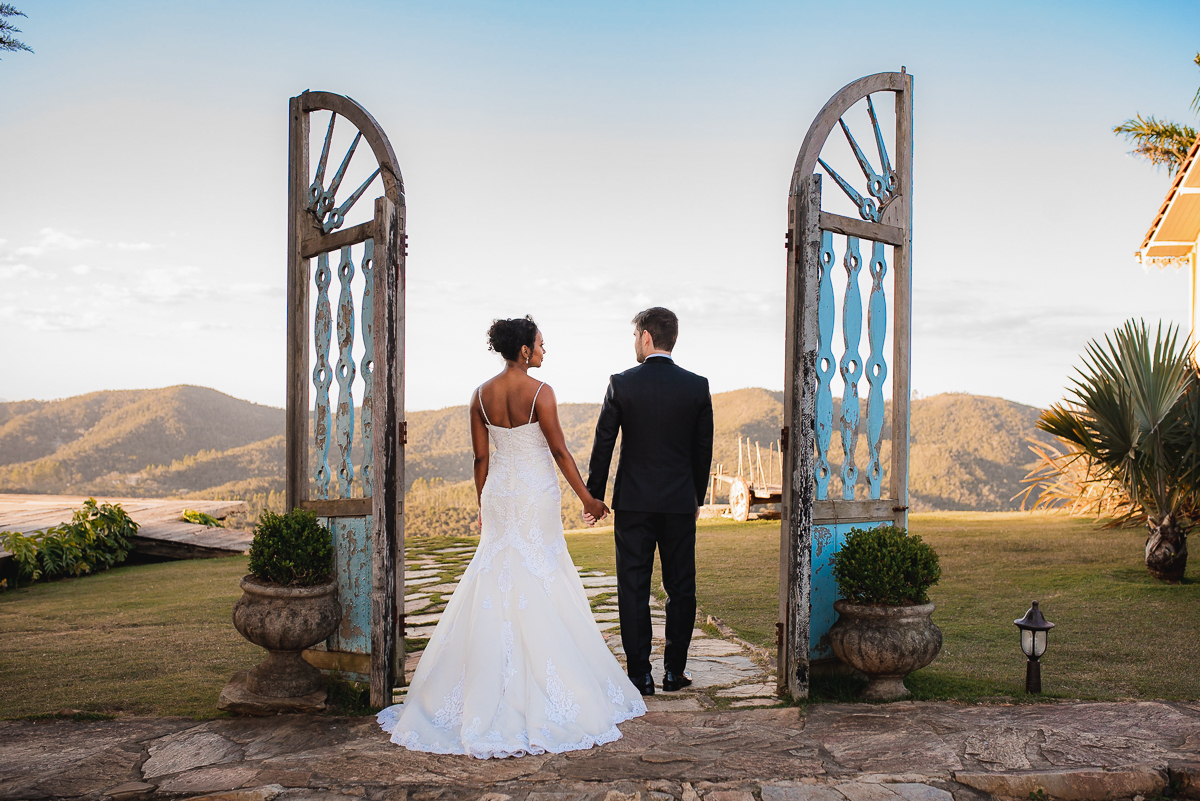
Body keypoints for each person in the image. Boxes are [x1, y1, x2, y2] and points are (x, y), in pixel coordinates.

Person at [377, 315, 646, 759]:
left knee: (498, 573)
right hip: (534, 494)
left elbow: (480, 460)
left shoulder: (480, 395)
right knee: (540, 574)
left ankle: (477, 688)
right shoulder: (541, 392)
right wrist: (589, 500)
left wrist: (483, 506)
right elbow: (559, 451)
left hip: (501, 493)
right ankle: (542, 690)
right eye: (541, 343)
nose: (545, 350)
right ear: (524, 350)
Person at [584, 307, 714, 697]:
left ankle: (640, 674)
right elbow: (702, 449)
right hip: (678, 502)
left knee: (633, 587)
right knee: (682, 587)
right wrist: (696, 496)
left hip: (634, 504)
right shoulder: (696, 385)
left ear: (645, 337)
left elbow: (603, 443)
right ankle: (675, 671)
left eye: (634, 336)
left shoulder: (622, 384)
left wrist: (595, 496)